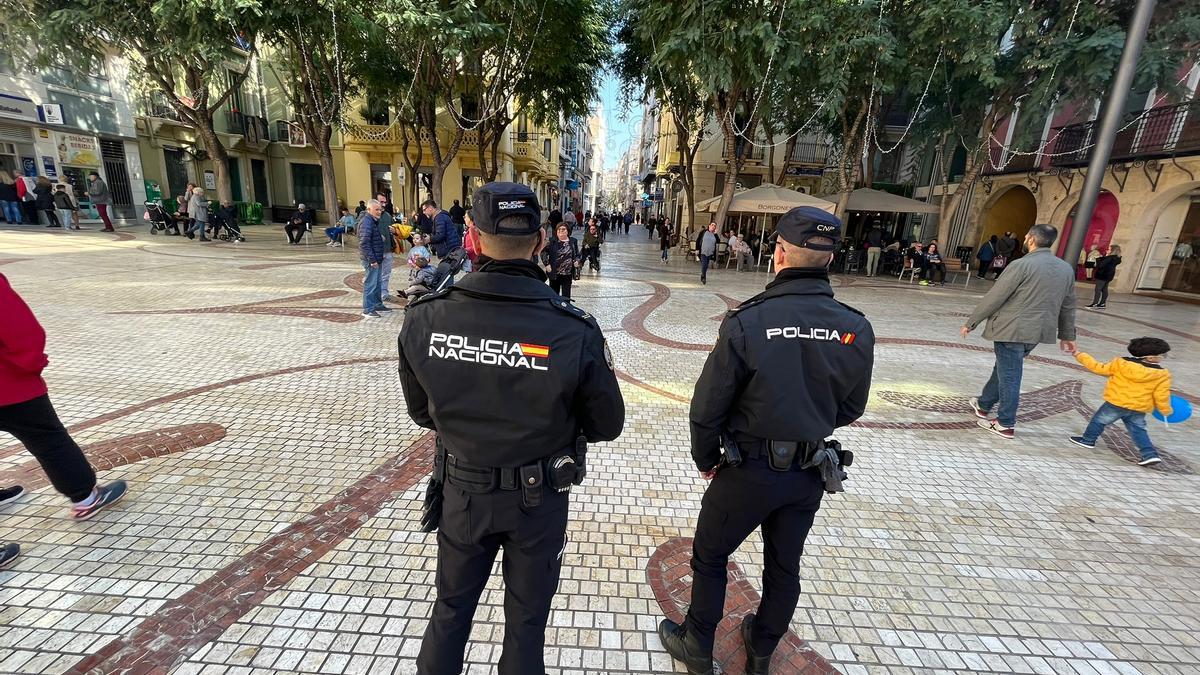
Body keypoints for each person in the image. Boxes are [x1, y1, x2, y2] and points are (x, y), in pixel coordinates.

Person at [398, 181, 624, 675]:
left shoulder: (426, 317)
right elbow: (607, 423)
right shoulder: (574, 328)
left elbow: (421, 413)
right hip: (537, 499)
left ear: (473, 239)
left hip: (463, 493)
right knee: (526, 625)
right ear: (540, 241)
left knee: (450, 613)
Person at [658, 206, 874, 675]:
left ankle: (698, 645)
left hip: (748, 469)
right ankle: (761, 650)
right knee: (784, 565)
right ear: (830, 257)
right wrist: (808, 423)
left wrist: (706, 458)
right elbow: (852, 408)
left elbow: (707, 407)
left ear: (778, 253)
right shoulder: (855, 327)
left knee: (711, 555)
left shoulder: (748, 321)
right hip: (808, 471)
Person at [0, 273, 129, 529]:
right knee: (48, 440)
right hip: (9, 383)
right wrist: (31, 365)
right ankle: (86, 497)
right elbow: (19, 330)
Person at [963, 223, 1077, 440]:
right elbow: (1069, 304)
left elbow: (996, 296)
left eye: (1025, 237)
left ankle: (1005, 423)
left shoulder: (1021, 264)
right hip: (1036, 333)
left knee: (1010, 376)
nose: (1024, 240)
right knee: (1005, 367)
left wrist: (972, 322)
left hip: (1011, 329)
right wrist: (1067, 335)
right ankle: (984, 404)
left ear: (1031, 239)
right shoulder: (1066, 269)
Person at [1069, 337, 1172, 466]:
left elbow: (1098, 368)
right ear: (1151, 358)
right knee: (1139, 430)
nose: (1164, 357)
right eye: (1163, 355)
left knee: (1099, 421)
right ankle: (1150, 454)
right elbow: (1161, 395)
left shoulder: (1120, 363)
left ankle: (1088, 440)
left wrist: (1080, 355)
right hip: (1138, 408)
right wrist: (1165, 410)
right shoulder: (1162, 374)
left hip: (1116, 403)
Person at [357, 199, 388, 318]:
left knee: (377, 283)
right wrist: (372, 260)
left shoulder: (372, 221)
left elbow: (371, 240)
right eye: (377, 209)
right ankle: (368, 309)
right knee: (371, 283)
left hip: (376, 258)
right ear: (369, 210)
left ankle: (377, 304)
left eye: (380, 209)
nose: (379, 212)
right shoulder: (367, 222)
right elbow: (364, 243)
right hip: (370, 259)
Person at [542, 222, 581, 299]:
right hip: (554, 273)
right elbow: (543, 252)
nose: (561, 231)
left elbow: (577, 254)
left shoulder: (573, 241)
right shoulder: (552, 241)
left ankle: (565, 306)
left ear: (568, 231)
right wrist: (547, 264)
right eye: (559, 229)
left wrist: (577, 260)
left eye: (563, 229)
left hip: (567, 273)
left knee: (566, 296)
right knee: (554, 295)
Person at [377, 194, 397, 303]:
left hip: (388, 250)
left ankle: (384, 294)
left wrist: (394, 230)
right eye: (381, 202)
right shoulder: (367, 215)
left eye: (385, 202)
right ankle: (375, 296)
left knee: (386, 274)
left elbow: (394, 228)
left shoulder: (387, 216)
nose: (384, 204)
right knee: (375, 275)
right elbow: (359, 229)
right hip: (376, 251)